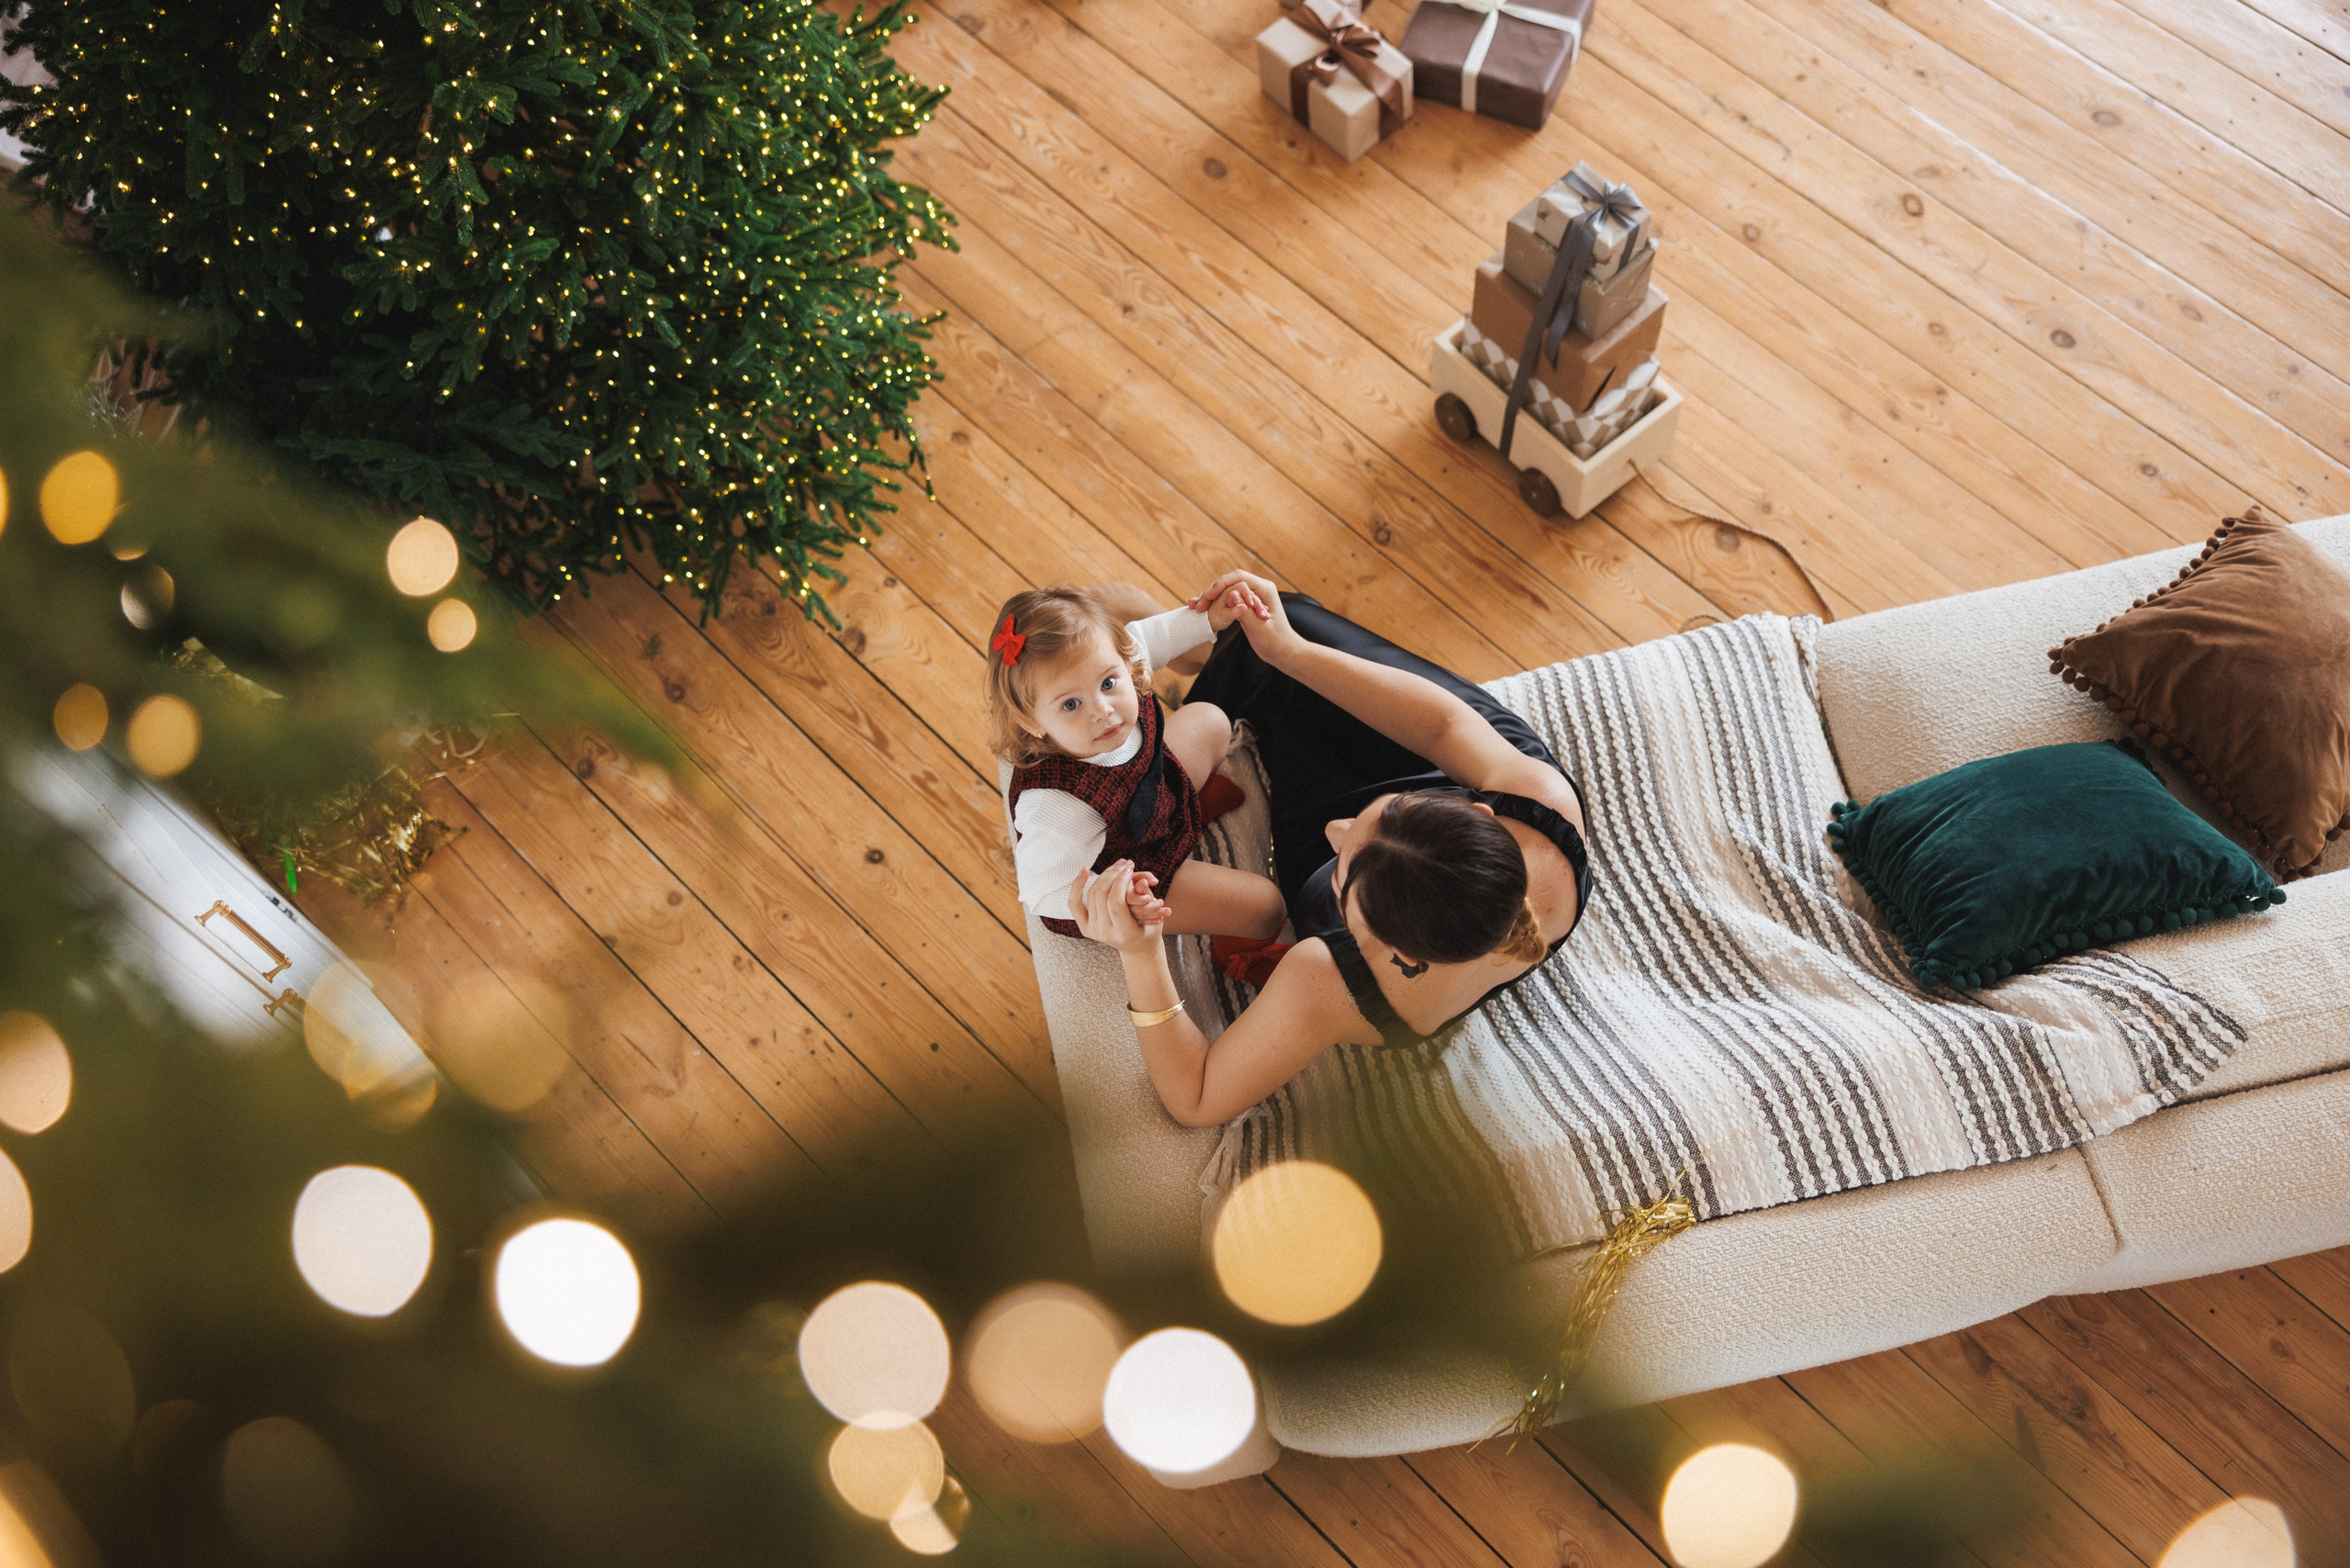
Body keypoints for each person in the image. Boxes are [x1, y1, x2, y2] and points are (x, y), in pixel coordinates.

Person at [1069, 570, 1593, 1129]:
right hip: (1433, 805)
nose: (1336, 830)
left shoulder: (1330, 981)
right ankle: (1200, 654)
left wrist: (1140, 953)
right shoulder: (1540, 801)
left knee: (1274, 689)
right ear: (1479, 813)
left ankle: (1203, 672)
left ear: (1386, 946)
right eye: (1392, 809)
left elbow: (1195, 1099)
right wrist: (1289, 651)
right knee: (1278, 631)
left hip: (1382, 886)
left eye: (1343, 872)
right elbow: (1443, 729)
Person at [990, 584, 1287, 948]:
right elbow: (1042, 891)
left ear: (1123, 662)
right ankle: (1236, 950)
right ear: (1030, 721)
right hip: (1126, 869)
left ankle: (1188, 810)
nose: (1103, 710)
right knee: (1266, 908)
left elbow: (1153, 636)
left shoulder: (1113, 663)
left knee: (1212, 720)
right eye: (1071, 704)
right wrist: (1120, 899)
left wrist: (1210, 618)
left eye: (1108, 683)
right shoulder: (1054, 807)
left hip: (1151, 798)